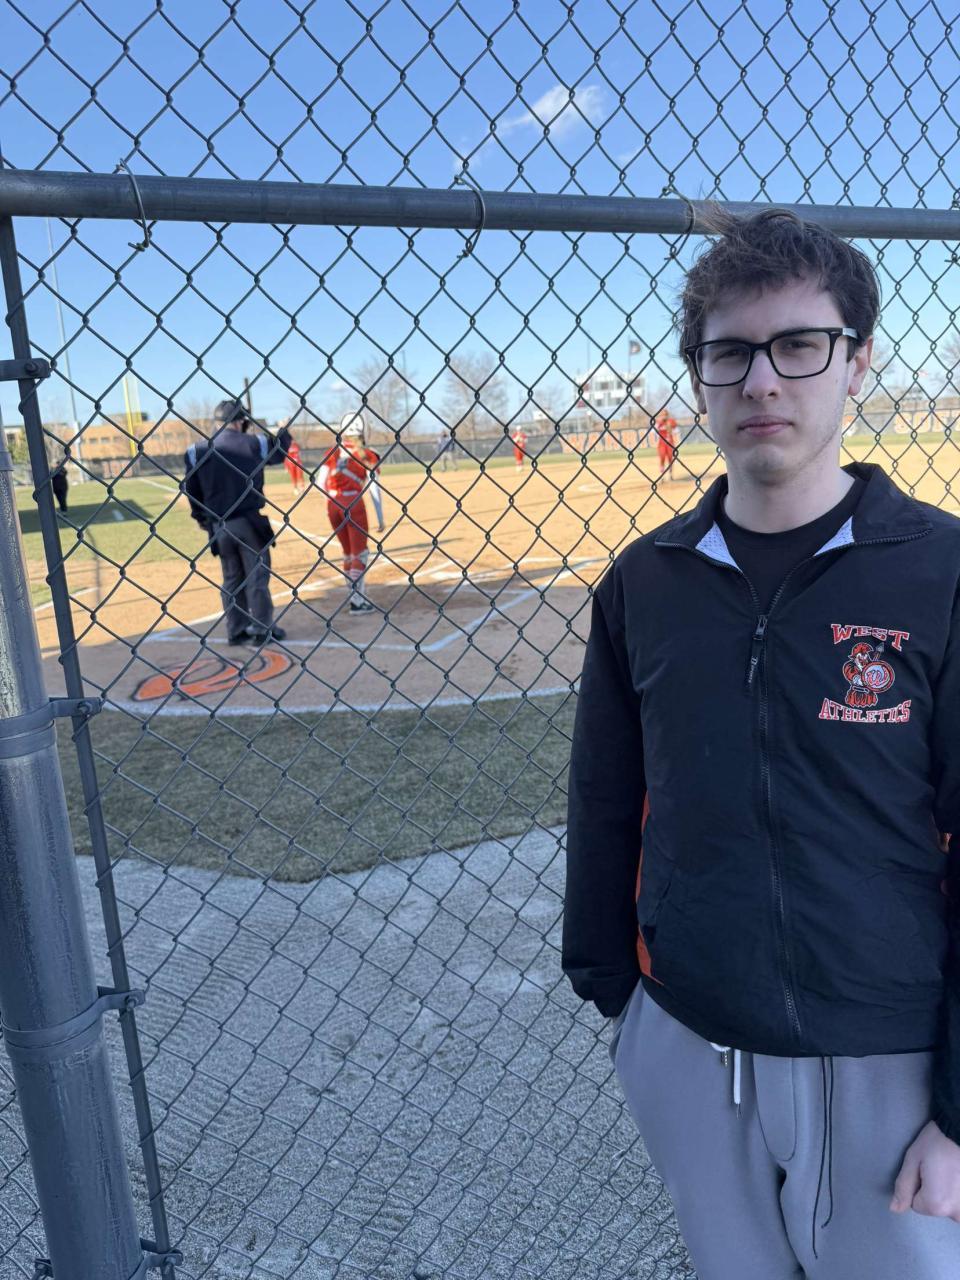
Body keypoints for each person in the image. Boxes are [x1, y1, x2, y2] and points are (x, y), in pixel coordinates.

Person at [563, 207, 960, 1280]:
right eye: (729, 352)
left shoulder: (940, 571)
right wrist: (618, 995)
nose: (762, 381)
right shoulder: (647, 580)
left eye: (799, 345)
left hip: (891, 1048)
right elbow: (606, 797)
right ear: (698, 374)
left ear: (857, 362)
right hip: (691, 1033)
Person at [182, 398, 290, 646]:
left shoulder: (196, 450)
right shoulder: (254, 443)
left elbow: (192, 490)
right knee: (256, 576)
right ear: (241, 422)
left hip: (218, 525)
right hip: (248, 521)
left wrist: (203, 519)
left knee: (231, 578)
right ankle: (262, 629)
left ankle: (237, 629)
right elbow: (280, 452)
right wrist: (282, 431)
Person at [318, 411, 380, 614]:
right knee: (359, 553)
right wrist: (380, 517)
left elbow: (320, 483)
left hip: (333, 504)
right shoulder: (367, 455)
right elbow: (374, 489)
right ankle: (357, 601)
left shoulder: (333, 452)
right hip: (354, 503)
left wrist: (330, 502)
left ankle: (355, 595)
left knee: (347, 552)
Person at [655, 409, 678, 479]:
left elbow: (676, 430)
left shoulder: (671, 421)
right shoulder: (658, 422)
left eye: (665, 414)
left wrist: (669, 426)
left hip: (670, 442)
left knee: (670, 458)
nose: (664, 416)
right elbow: (655, 430)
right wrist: (660, 421)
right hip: (662, 443)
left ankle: (670, 474)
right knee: (662, 457)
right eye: (662, 415)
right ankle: (662, 474)